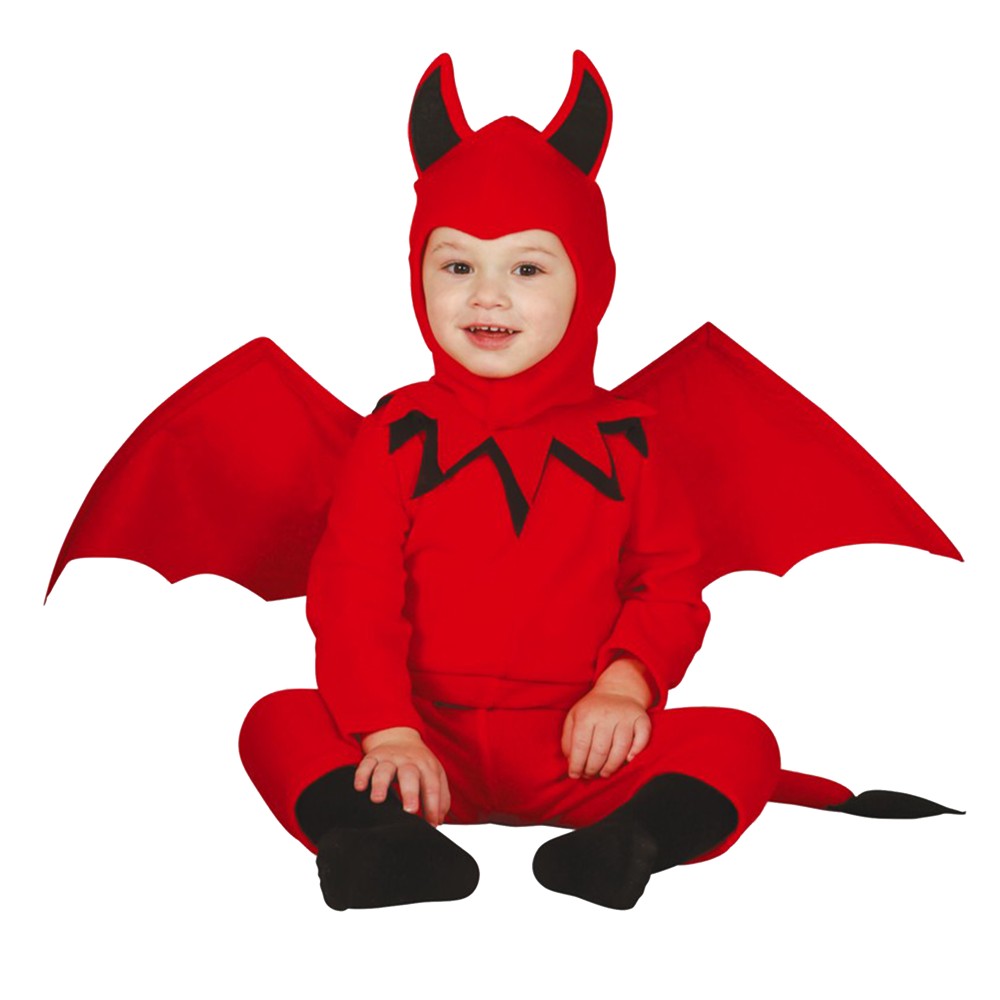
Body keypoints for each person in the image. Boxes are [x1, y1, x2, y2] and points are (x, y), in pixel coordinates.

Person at [237, 52, 783, 910]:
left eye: (527, 269)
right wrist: (388, 731)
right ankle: (383, 847)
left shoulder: (631, 436)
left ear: (589, 280)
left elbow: (668, 582)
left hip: (580, 751)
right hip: (423, 756)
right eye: (457, 266)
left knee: (744, 740)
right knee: (275, 720)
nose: (487, 298)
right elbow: (354, 593)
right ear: (418, 275)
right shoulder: (397, 432)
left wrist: (626, 685)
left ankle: (626, 845)